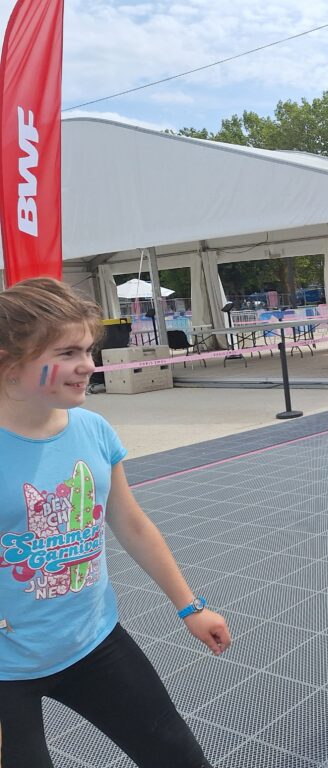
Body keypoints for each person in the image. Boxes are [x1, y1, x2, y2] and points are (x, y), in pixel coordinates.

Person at [0, 278, 231, 767]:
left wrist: (191, 607)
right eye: (67, 353)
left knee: (179, 757)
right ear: (9, 363)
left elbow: (131, 524)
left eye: (88, 349)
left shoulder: (93, 429)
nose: (88, 365)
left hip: (93, 641)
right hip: (6, 670)